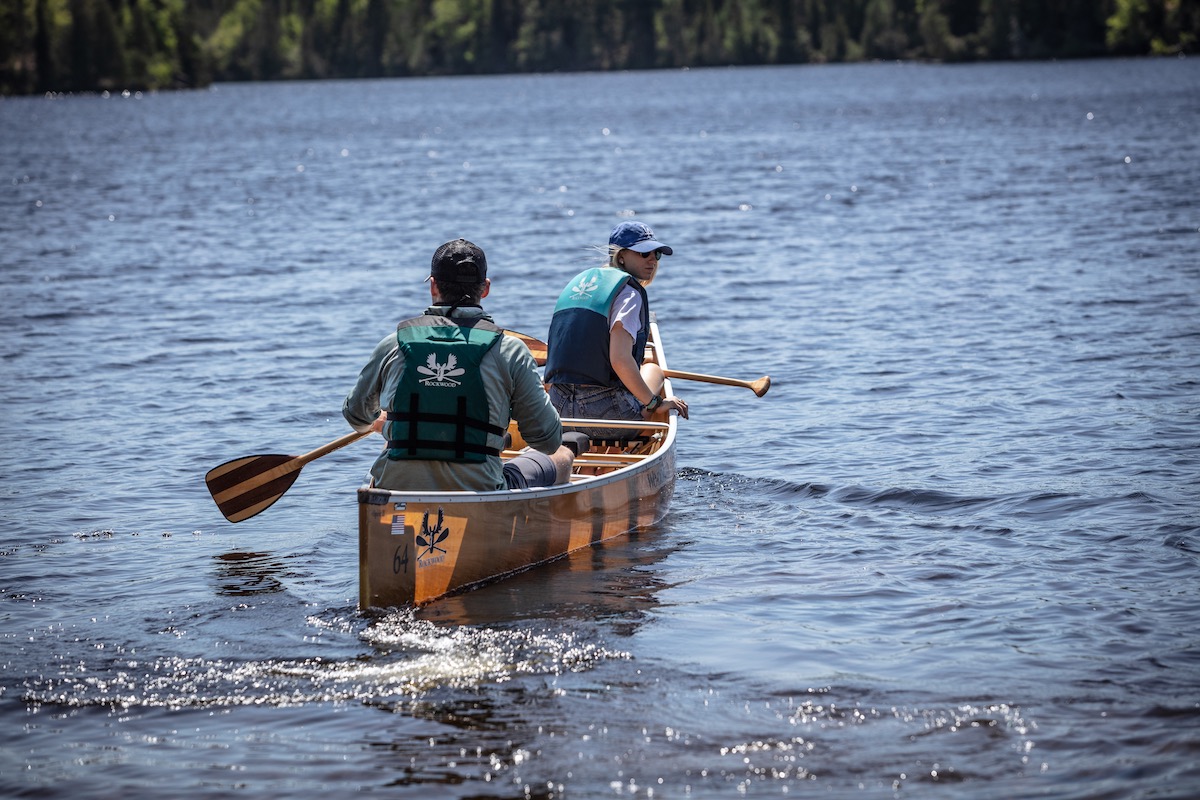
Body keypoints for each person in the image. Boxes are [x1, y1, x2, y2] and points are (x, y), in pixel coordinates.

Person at [343, 238, 582, 492]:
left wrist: (382, 420)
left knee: (392, 446)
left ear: (433, 286)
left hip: (397, 490)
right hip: (479, 491)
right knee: (562, 455)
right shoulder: (510, 351)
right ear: (485, 289)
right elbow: (547, 439)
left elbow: (356, 415)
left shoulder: (393, 343)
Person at [544, 220, 688, 441]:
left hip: (557, 411)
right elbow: (620, 360)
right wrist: (655, 403)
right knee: (653, 370)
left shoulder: (577, 286)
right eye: (643, 253)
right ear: (621, 256)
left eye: (656, 254)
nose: (652, 259)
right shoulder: (629, 294)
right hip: (606, 417)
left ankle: (589, 465)